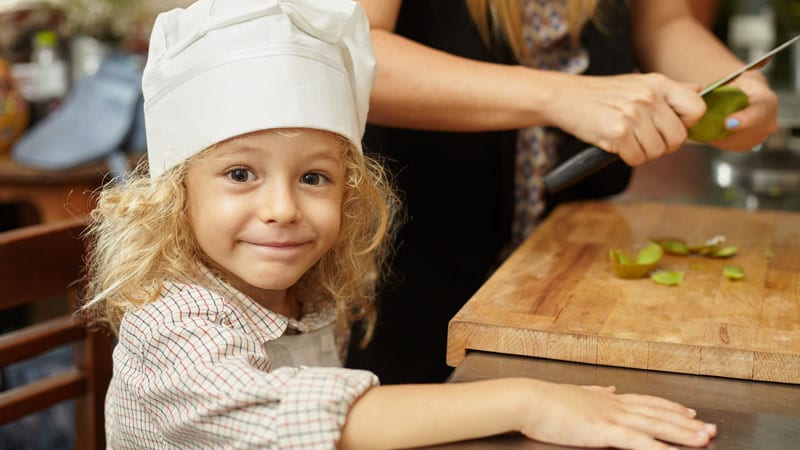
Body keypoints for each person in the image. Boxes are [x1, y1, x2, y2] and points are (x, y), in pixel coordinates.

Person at [79, 0, 719, 448]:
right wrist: (530, 400)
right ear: (174, 197)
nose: (282, 208)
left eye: (314, 177)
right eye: (241, 174)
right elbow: (286, 419)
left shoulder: (311, 294)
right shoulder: (172, 325)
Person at [346, 0, 779, 384]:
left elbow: (665, 23)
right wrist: (558, 95)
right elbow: (353, 53)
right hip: (404, 255)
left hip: (562, 257)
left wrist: (734, 92)